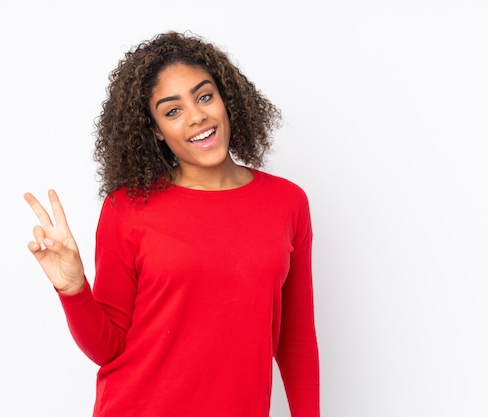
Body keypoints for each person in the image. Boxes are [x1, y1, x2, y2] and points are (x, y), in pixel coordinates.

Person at [24, 31, 320, 417]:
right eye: (172, 110)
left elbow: (295, 340)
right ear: (155, 130)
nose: (196, 116)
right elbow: (108, 348)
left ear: (226, 99)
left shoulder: (286, 203)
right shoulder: (128, 207)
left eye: (204, 96)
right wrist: (74, 289)